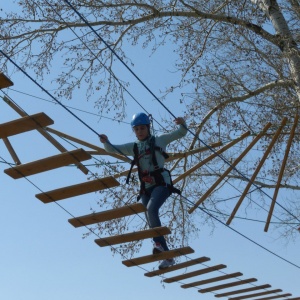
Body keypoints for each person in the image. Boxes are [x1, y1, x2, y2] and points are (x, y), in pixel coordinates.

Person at [99, 112, 187, 269]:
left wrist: (182, 123)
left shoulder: (160, 139)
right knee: (149, 215)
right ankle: (167, 256)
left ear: (148, 128)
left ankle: (158, 244)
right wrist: (106, 142)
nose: (140, 132)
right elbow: (114, 149)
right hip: (146, 189)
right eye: (137, 129)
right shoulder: (134, 147)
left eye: (142, 128)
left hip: (161, 184)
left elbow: (180, 133)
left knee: (151, 209)